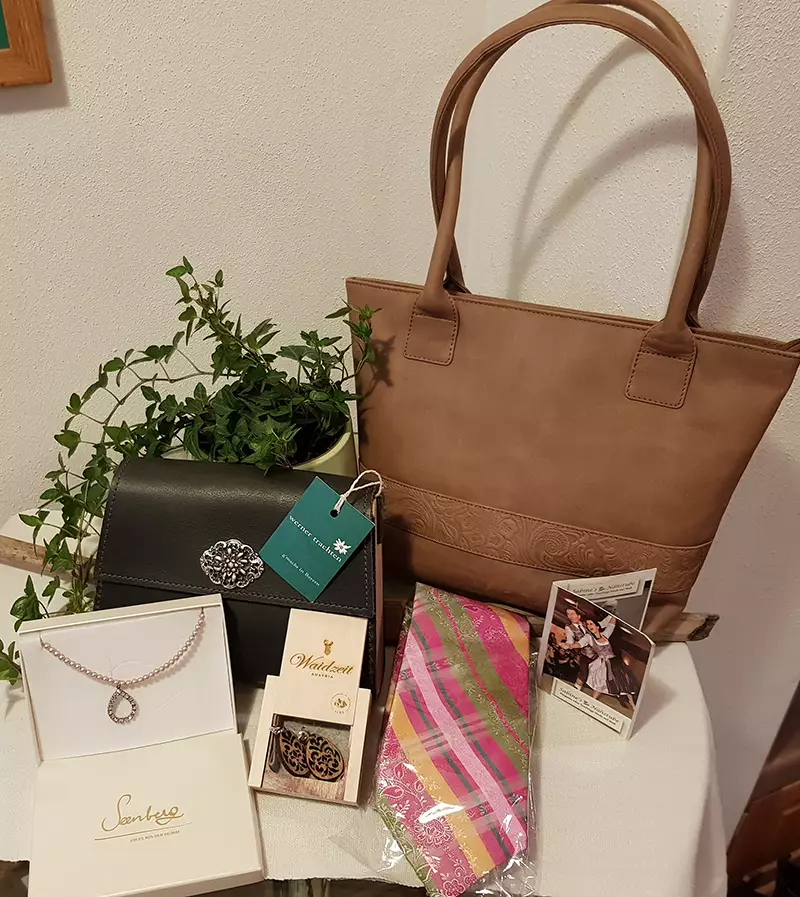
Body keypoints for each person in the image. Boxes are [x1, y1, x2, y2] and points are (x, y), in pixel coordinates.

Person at [584, 617, 637, 712]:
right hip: (604, 663)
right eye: (587, 625)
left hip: (615, 662)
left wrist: (614, 614)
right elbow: (580, 643)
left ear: (597, 627)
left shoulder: (605, 634)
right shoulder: (590, 638)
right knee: (601, 683)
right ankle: (592, 701)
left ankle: (633, 705)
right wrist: (570, 645)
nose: (589, 626)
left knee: (625, 682)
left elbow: (612, 623)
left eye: (591, 624)